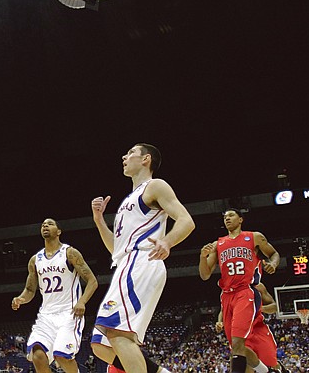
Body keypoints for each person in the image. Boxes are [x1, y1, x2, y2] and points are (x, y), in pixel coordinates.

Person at [90, 143, 196, 373]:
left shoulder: (155, 186)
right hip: (125, 264)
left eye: (130, 153)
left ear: (146, 159)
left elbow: (187, 221)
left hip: (141, 262)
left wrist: (167, 241)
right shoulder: (129, 199)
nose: (124, 156)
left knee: (117, 333)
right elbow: (116, 248)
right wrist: (99, 221)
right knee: (100, 344)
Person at [11, 218, 98, 373]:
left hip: (69, 313)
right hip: (46, 315)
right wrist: (21, 298)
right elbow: (30, 290)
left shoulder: (70, 253)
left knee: (62, 356)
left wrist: (82, 302)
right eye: (43, 224)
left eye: (50, 224)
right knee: (38, 355)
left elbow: (92, 281)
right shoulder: (35, 260)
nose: (45, 225)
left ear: (58, 232)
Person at [199, 209, 281, 373]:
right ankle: (268, 371)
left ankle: (269, 369)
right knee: (237, 347)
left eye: (231, 215)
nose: (227, 218)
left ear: (241, 219)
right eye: (224, 217)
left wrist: (273, 264)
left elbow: (274, 253)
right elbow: (205, 275)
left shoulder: (254, 237)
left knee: (237, 344)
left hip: (245, 292)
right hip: (227, 295)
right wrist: (202, 257)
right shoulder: (218, 244)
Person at [216, 283, 289, 373]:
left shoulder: (258, 286)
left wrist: (258, 308)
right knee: (242, 363)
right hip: (240, 332)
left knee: (271, 364)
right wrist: (220, 321)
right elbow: (223, 310)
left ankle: (279, 369)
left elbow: (274, 307)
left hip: (258, 329)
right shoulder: (228, 289)